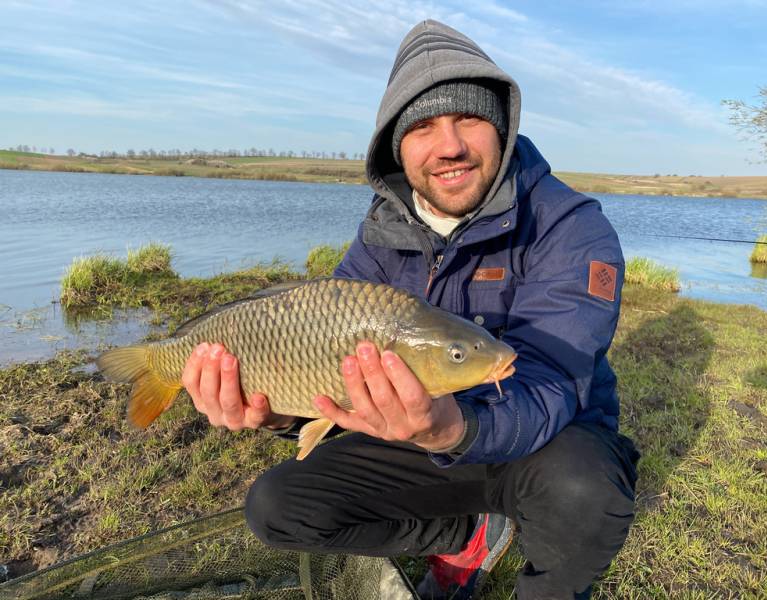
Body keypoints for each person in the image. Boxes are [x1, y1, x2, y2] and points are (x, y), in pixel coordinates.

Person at [181, 19, 640, 600]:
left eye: (468, 119)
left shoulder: (570, 226)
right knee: (276, 506)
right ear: (397, 147)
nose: (449, 145)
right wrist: (274, 413)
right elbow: (322, 371)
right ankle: (460, 534)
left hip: (540, 440)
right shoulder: (381, 235)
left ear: (502, 126)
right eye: (422, 126)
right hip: (421, 439)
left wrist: (451, 426)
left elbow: (553, 379)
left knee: (586, 488)